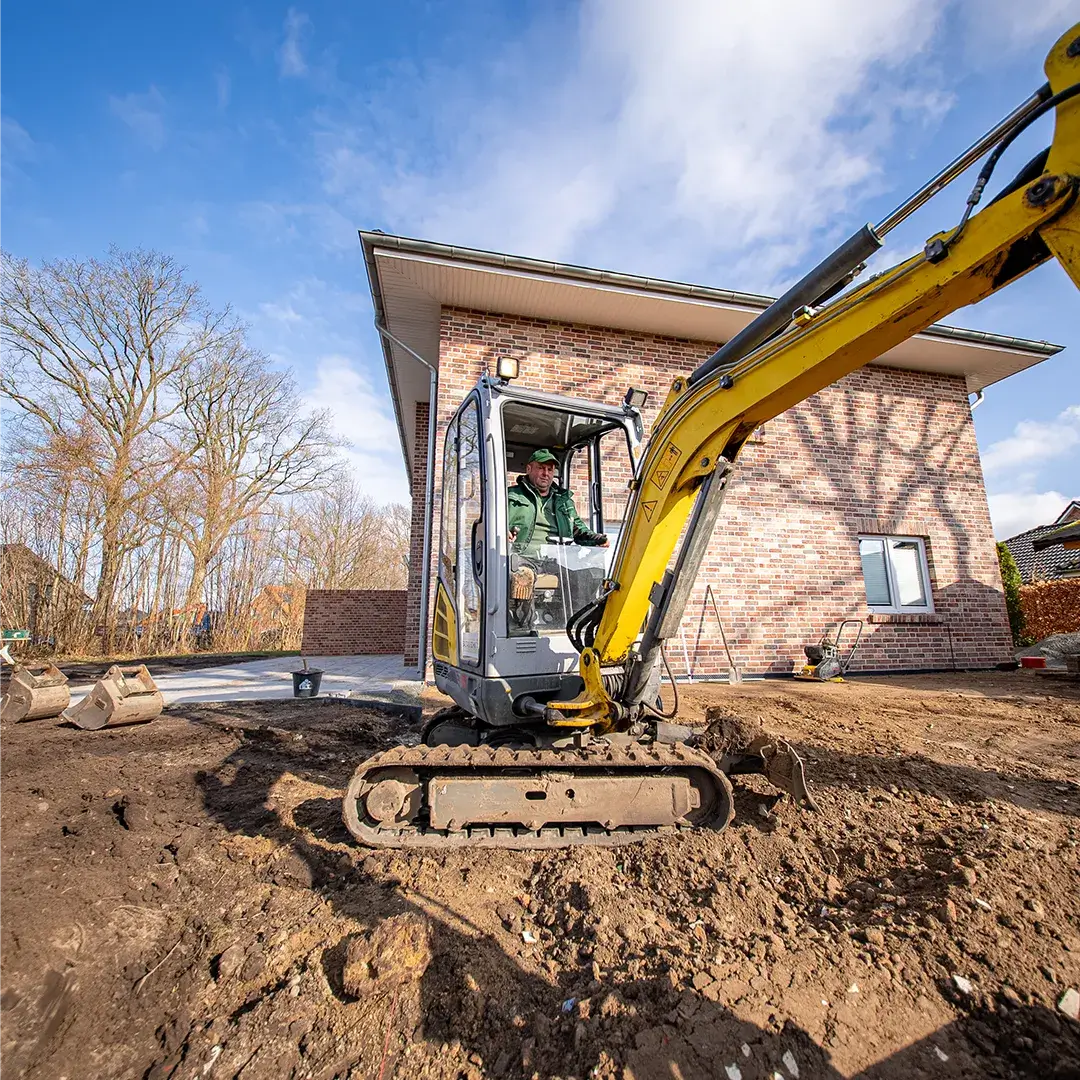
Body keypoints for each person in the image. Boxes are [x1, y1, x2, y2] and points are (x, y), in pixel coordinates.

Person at [506, 448, 608, 633]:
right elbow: (495, 522)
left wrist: (597, 540)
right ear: (529, 469)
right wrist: (503, 531)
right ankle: (523, 629)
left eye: (550, 470)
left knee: (589, 573)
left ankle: (578, 627)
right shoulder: (512, 496)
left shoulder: (564, 501)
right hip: (524, 556)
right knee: (523, 576)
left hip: (558, 556)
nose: (546, 474)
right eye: (541, 468)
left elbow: (578, 529)